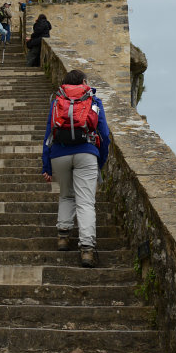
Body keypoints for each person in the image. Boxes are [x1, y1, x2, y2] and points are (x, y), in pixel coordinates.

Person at [41, 70, 111, 268]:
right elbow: (104, 134)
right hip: (86, 152)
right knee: (86, 202)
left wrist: (46, 164)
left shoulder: (57, 101)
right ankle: (87, 249)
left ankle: (63, 236)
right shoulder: (93, 101)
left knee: (66, 195)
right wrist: (100, 159)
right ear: (83, 82)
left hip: (59, 154)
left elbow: (48, 133)